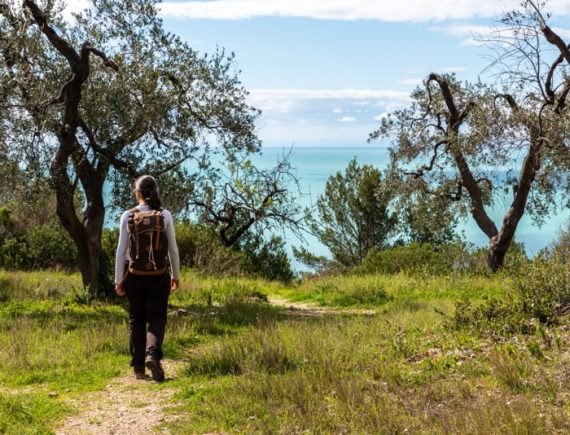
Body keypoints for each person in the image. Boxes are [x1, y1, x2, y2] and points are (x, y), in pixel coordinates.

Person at [115, 175, 180, 381]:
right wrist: (176, 275)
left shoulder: (128, 215)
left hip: (134, 276)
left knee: (137, 319)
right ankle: (152, 354)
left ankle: (138, 368)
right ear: (155, 192)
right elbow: (173, 250)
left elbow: (120, 251)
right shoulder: (165, 215)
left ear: (138, 193)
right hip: (159, 276)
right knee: (157, 318)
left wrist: (118, 280)